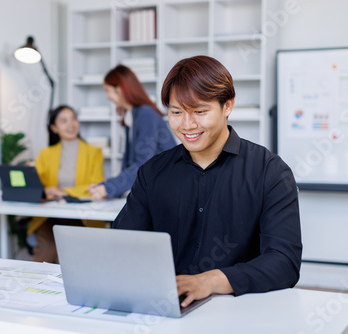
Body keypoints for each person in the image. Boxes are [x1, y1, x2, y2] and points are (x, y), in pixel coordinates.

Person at [113, 56, 302, 307]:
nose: (187, 125)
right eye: (176, 112)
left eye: (200, 112)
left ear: (227, 106)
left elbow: (284, 262)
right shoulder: (153, 172)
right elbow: (121, 244)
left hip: (240, 311)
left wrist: (211, 281)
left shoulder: (270, 172)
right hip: (166, 307)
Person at [28, 105, 104, 263]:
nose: (71, 124)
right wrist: (34, 178)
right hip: (51, 216)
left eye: (73, 119)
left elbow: (96, 185)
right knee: (46, 252)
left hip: (81, 217)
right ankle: (38, 287)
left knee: (76, 257)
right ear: (54, 128)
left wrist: (63, 191)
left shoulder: (93, 153)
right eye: (64, 121)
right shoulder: (46, 154)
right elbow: (38, 185)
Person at [88, 64, 176, 199]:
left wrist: (109, 187)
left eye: (108, 90)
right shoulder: (132, 117)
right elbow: (131, 166)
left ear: (120, 89)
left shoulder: (145, 114)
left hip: (166, 191)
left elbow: (143, 164)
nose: (107, 97)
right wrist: (105, 186)